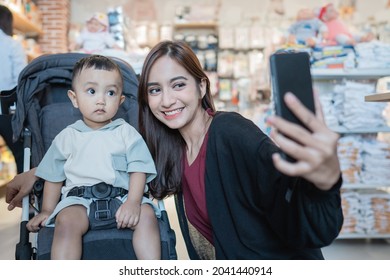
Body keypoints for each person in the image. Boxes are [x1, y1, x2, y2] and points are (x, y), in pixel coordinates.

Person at [7, 41, 343, 260]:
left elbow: (306, 223)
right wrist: (37, 172)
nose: (167, 100)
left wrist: (324, 182)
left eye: (178, 84)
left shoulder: (231, 133)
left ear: (201, 86)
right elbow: (101, 158)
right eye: (155, 89)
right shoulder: (171, 148)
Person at [25, 55, 161, 260]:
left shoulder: (127, 133)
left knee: (147, 216)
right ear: (74, 98)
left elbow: (138, 168)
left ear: (120, 100)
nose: (101, 100)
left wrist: (133, 202)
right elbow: (54, 176)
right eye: (91, 91)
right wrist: (47, 210)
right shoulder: (67, 137)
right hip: (79, 201)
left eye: (111, 92)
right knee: (65, 222)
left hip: (121, 197)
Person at [0, 4, 28, 174]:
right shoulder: (11, 44)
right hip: (5, 109)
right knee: (20, 153)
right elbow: (20, 79)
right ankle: (21, 197)